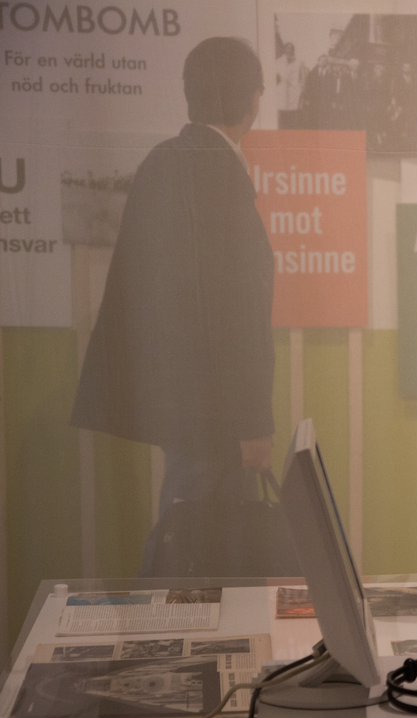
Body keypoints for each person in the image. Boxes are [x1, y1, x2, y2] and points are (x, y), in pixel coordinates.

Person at [71, 37, 275, 574]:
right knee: (191, 554)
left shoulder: (166, 161)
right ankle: (162, 624)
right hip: (217, 413)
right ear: (251, 99)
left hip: (180, 403)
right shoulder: (217, 172)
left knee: (189, 539)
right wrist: (254, 421)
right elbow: (237, 310)